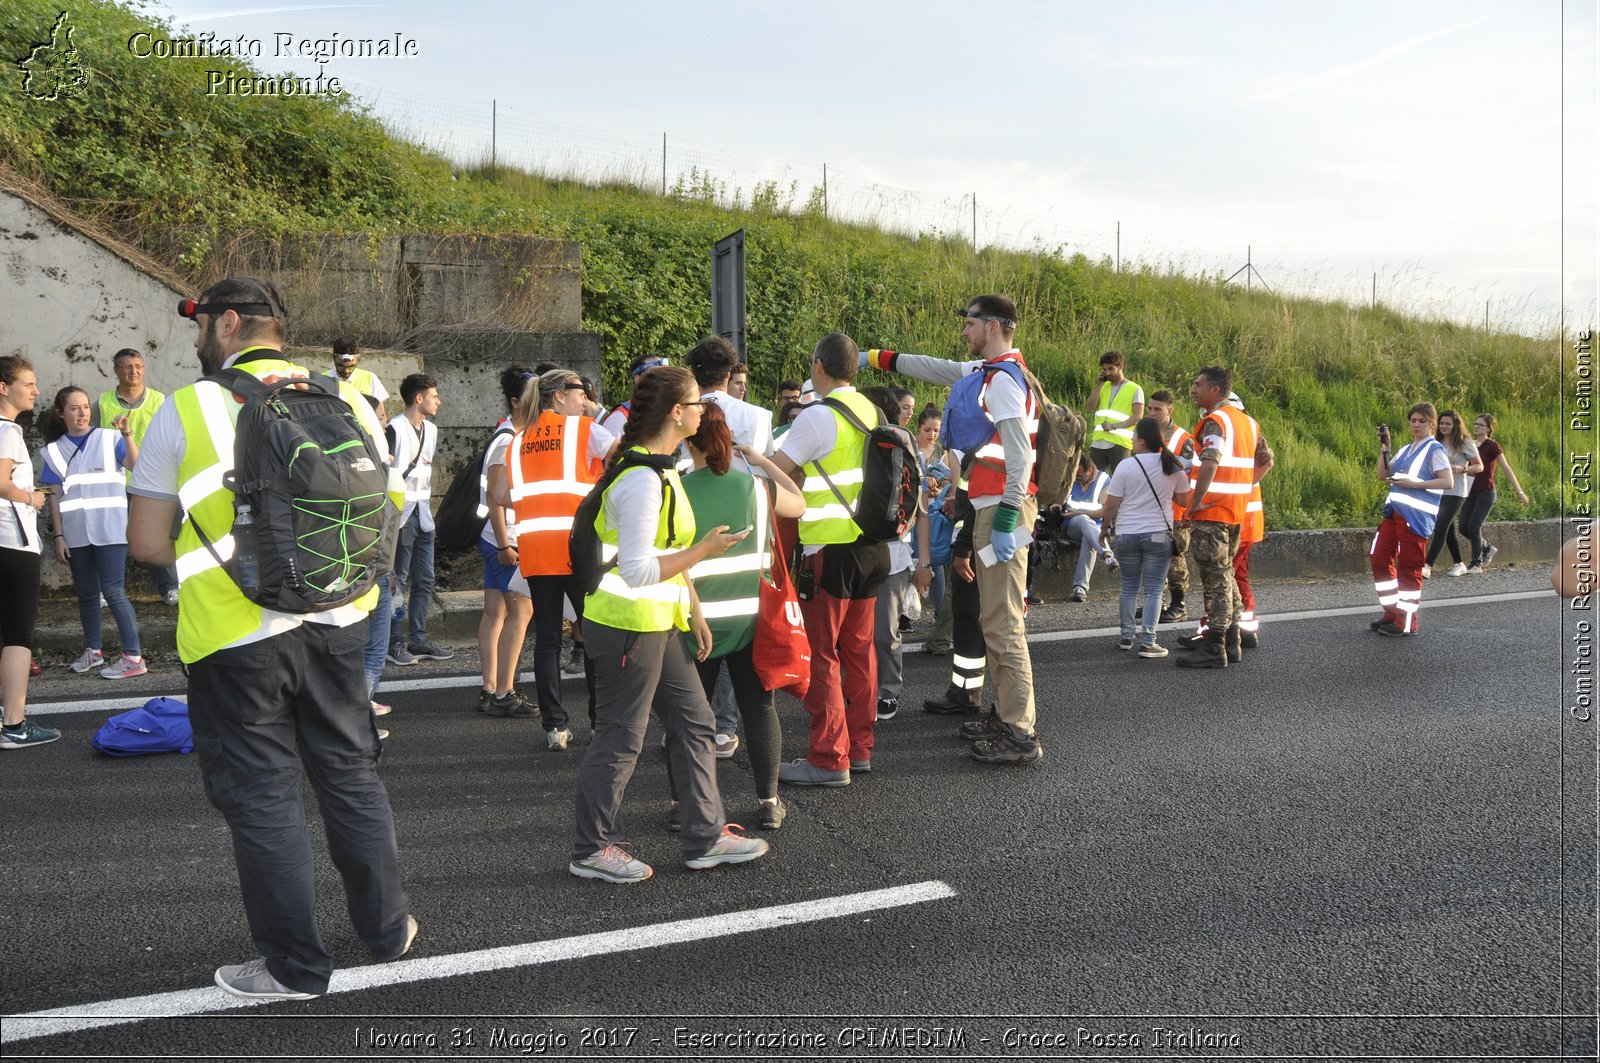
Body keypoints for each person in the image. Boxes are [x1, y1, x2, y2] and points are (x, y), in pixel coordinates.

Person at [127, 276, 414, 1000]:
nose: (196, 340)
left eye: (199, 327)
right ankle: (389, 928)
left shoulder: (186, 407)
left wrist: (222, 548)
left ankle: (294, 966)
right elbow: (390, 505)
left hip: (235, 636)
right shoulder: (345, 396)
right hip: (342, 620)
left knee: (264, 797)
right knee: (351, 776)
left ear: (227, 324)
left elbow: (147, 542)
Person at [570, 365, 767, 883]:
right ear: (677, 413)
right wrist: (705, 550)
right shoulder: (641, 480)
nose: (704, 411)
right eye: (698, 403)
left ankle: (705, 838)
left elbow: (668, 553)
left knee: (696, 724)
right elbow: (637, 569)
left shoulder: (662, 469)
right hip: (627, 625)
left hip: (658, 623)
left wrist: (694, 610)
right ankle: (591, 848)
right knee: (621, 736)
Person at [865, 294, 1044, 764]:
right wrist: (878, 358)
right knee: (993, 620)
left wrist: (1006, 518)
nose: (964, 331)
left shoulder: (1002, 381)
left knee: (1004, 624)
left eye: (969, 323)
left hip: (1003, 513)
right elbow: (938, 367)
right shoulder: (989, 373)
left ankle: (1020, 733)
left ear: (994, 325)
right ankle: (1004, 716)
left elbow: (1020, 456)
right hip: (991, 510)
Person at [772, 332, 892, 784]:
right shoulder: (872, 410)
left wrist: (752, 458)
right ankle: (859, 749)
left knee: (823, 655)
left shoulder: (817, 418)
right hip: (874, 547)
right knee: (860, 651)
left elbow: (778, 471)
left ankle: (828, 758)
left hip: (829, 550)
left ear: (818, 365)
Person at [680, 404, 806, 829]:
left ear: (688, 440)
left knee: (691, 719)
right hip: (752, 621)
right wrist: (762, 459)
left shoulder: (677, 490)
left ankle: (686, 807)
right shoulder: (755, 488)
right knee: (758, 708)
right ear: (727, 440)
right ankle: (769, 802)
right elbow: (800, 504)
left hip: (697, 624)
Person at [500, 368, 615, 748]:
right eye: (581, 392)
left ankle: (555, 727)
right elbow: (622, 458)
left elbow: (502, 494)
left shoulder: (517, 439)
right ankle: (600, 723)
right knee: (595, 634)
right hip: (579, 548)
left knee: (548, 638)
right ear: (559, 396)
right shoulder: (584, 429)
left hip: (536, 549)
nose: (586, 399)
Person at [39, 386, 146, 680]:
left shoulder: (109, 438)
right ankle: (93, 651)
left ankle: (133, 656)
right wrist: (59, 536)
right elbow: (53, 496)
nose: (82, 412)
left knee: (113, 591)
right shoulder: (53, 451)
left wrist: (127, 434)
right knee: (87, 595)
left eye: (85, 406)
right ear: (61, 414)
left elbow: (135, 465)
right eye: (74, 408)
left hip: (110, 529)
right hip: (76, 534)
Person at [1175, 366, 1262, 668]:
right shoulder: (1249, 423)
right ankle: (1231, 642)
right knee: (1225, 576)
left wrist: (1194, 504)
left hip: (1212, 511)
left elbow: (1210, 462)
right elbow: (1266, 458)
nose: (1193, 390)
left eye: (1198, 385)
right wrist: (1243, 489)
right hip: (1236, 512)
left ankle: (1215, 646)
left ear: (1215, 390)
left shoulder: (1215, 422)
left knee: (1215, 579)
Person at [859, 387, 931, 722]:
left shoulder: (903, 449)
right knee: (854, 635)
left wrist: (924, 563)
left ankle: (888, 690)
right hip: (855, 554)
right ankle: (860, 690)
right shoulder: (852, 445)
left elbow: (922, 511)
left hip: (893, 558)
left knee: (884, 632)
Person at [0, 356, 57, 750]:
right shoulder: (8, 432)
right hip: (13, 544)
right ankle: (14, 724)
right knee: (18, 635)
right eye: (29, 383)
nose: (36, 391)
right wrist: (31, 497)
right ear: (3, 387)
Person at [1098, 418, 1191, 658]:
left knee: (1128, 587)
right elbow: (1182, 501)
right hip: (1158, 535)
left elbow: (1111, 504)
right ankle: (1148, 642)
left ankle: (1127, 637)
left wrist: (1104, 528)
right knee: (1153, 590)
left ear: (1141, 441)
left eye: (1133, 436)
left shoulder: (1125, 466)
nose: (1130, 440)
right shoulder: (1172, 464)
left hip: (1127, 534)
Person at [476, 366, 535, 720]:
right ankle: (503, 691)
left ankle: (490, 687)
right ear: (516, 402)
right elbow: (496, 499)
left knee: (496, 613)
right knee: (521, 612)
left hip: (498, 537)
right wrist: (504, 545)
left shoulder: (512, 434)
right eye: (530, 398)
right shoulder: (507, 439)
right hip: (505, 538)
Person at [96, 347, 177, 605]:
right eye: (128, 366)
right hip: (115, 482)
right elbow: (96, 441)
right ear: (116, 370)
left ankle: (170, 587)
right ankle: (106, 590)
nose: (134, 371)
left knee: (156, 536)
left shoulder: (158, 400)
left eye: (138, 366)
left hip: (151, 481)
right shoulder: (102, 402)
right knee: (110, 537)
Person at [1368, 404, 1453, 636]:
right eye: (1413, 420)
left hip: (1415, 518)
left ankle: (1406, 623)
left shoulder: (1435, 450)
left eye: (1421, 421)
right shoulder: (1406, 449)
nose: (1416, 424)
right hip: (1394, 513)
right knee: (1379, 559)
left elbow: (1447, 482)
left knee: (1409, 568)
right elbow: (1383, 475)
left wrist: (1417, 485)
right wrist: (1384, 449)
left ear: (1432, 424)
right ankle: (1392, 611)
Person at [387, 372, 453, 664]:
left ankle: (418, 639)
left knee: (425, 579)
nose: (438, 400)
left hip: (424, 514)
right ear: (419, 398)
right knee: (397, 580)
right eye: (433, 396)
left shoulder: (432, 430)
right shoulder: (394, 429)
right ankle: (393, 642)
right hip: (401, 515)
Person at [1145, 390, 1196, 622]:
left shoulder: (1183, 438)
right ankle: (1157, 603)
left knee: (1176, 558)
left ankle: (1179, 604)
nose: (1153, 413)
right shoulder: (1145, 433)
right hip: (1152, 508)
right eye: (1150, 408)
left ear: (1170, 410)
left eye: (1158, 409)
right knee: (1154, 557)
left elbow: (1188, 470)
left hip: (1175, 510)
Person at [1462, 413, 1529, 573]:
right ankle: (1487, 548)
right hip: (1469, 491)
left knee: (1474, 526)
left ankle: (1476, 563)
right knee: (1463, 527)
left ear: (1489, 429)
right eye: (1475, 423)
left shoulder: (1492, 446)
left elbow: (1506, 468)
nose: (1476, 426)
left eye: (1480, 425)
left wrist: (1519, 491)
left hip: (1486, 492)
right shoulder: (1469, 444)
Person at [1422, 410, 1483, 579]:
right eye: (1441, 423)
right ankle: (1459, 564)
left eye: (1448, 423)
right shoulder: (1434, 442)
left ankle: (1428, 565)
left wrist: (1463, 468)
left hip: (1457, 491)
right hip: (1438, 489)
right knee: (1447, 528)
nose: (1444, 426)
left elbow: (1479, 466)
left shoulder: (1465, 443)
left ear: (1455, 425)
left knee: (1440, 525)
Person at [1056, 454, 1113, 603]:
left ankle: (1080, 589)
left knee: (1089, 537)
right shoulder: (1070, 477)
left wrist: (1080, 512)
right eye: (1075, 474)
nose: (1077, 478)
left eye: (1080, 476)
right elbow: (1059, 500)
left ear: (1091, 469)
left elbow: (1106, 511)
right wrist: (1057, 506)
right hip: (1073, 525)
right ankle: (1107, 554)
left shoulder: (1104, 481)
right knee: (1083, 520)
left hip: (1096, 528)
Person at [1088, 350, 1145, 473]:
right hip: (1098, 442)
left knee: (1121, 481)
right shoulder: (1102, 386)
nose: (1107, 373)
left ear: (1120, 366)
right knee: (1092, 481)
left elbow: (1138, 416)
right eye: (1104, 369)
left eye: (1111, 369)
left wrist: (1114, 426)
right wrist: (1098, 386)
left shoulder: (1135, 389)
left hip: (1120, 444)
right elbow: (1090, 409)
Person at [599, 354, 670, 439]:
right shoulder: (620, 417)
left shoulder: (670, 412)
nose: (664, 379)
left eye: (666, 374)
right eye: (656, 374)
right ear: (638, 379)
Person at [323, 338, 389, 404]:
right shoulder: (321, 380)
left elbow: (380, 412)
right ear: (333, 357)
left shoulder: (370, 378)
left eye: (351, 366)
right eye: (341, 366)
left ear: (358, 358)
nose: (346, 371)